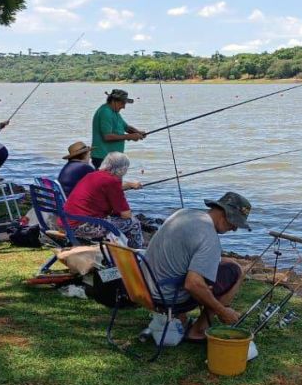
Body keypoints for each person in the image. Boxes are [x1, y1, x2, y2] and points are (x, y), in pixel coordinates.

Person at [144, 191, 252, 343]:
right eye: (235, 223)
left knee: (227, 263)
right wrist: (223, 311)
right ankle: (198, 331)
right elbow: (192, 284)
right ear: (224, 213)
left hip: (145, 286)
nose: (234, 229)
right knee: (235, 271)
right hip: (166, 298)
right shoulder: (209, 237)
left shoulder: (184, 213)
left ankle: (180, 319)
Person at [62, 152, 144, 248]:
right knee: (133, 222)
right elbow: (126, 214)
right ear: (123, 169)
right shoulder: (113, 182)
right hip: (79, 227)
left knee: (113, 217)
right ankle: (136, 251)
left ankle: (121, 246)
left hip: (66, 222)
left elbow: (108, 187)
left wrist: (130, 185)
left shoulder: (92, 175)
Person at [91, 89, 145, 167]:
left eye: (125, 103)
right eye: (122, 103)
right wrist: (129, 136)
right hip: (103, 157)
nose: (124, 107)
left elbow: (126, 127)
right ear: (113, 101)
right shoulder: (105, 112)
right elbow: (107, 136)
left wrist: (138, 132)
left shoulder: (114, 112)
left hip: (112, 158)